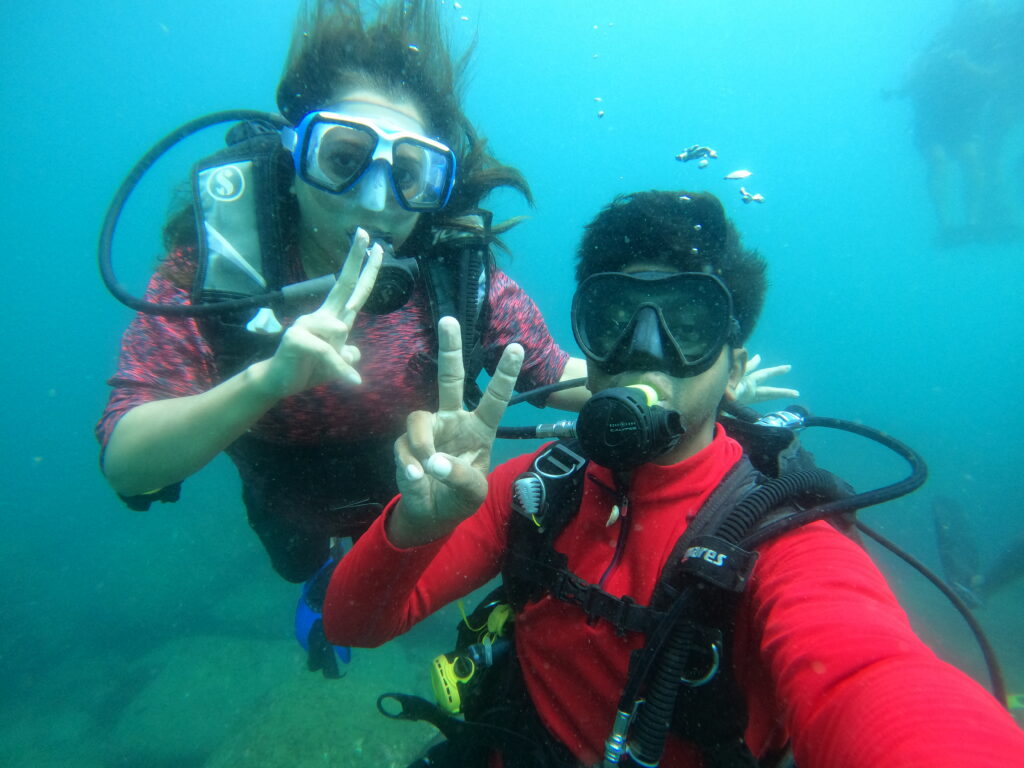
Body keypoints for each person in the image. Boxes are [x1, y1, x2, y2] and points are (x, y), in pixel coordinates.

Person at [323, 190, 1024, 766]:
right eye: (614, 318)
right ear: (586, 346)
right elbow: (352, 622)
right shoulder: (536, 486)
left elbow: (865, 677)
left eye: (688, 322)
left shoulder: (779, 536)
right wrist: (415, 524)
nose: (643, 355)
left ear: (736, 368)